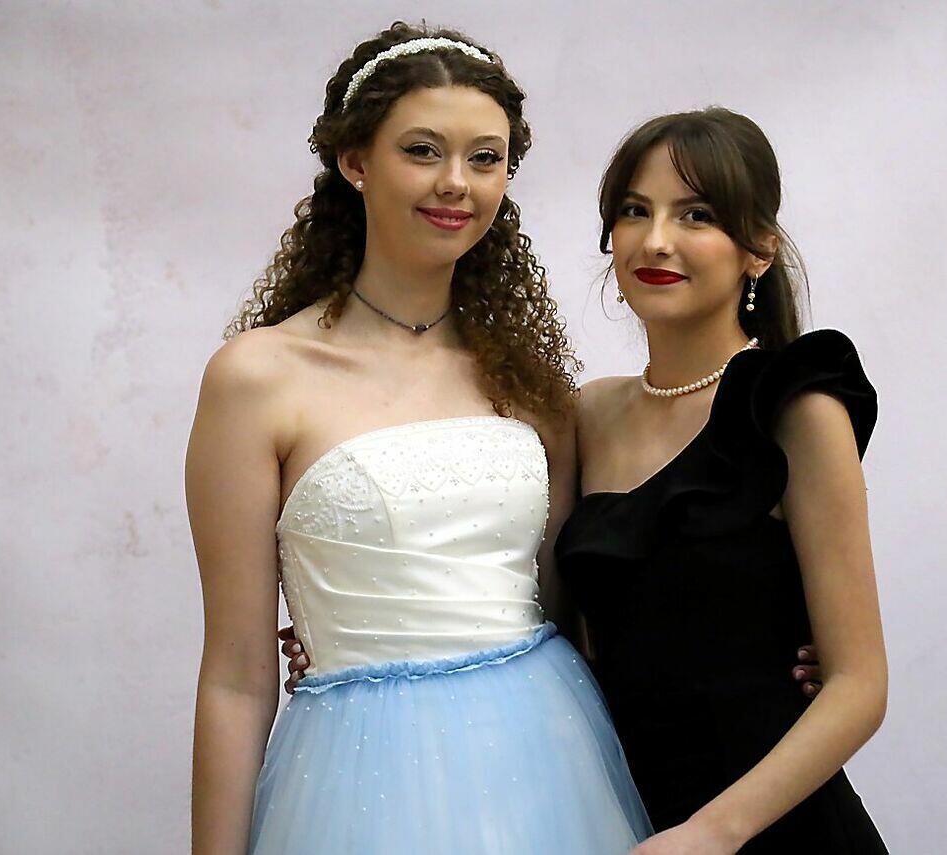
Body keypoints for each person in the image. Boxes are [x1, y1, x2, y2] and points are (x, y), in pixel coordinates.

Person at [187, 22, 651, 854]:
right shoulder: (256, 379)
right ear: (354, 160)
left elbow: (573, 612)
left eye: (485, 158)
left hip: (546, 766)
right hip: (357, 783)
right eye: (423, 150)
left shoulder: (530, 385)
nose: (456, 183)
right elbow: (235, 675)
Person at [558, 108, 889, 853]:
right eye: (635, 211)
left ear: (759, 248)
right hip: (624, 817)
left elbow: (860, 685)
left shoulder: (795, 406)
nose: (656, 240)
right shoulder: (585, 414)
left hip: (770, 831)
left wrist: (712, 833)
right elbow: (546, 626)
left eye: (697, 215)